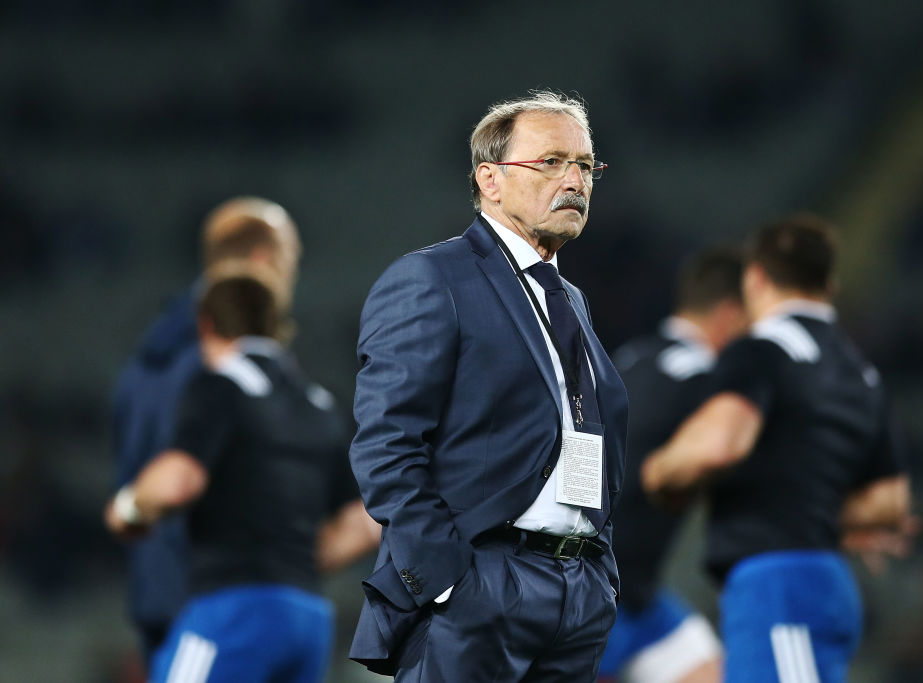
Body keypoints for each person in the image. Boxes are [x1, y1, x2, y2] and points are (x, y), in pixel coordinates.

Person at [347, 90, 629, 681]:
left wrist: (598, 571)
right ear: (490, 179)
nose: (574, 180)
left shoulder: (568, 299)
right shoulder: (432, 278)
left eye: (584, 164)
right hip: (482, 583)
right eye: (551, 161)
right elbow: (386, 445)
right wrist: (447, 582)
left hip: (576, 592)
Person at [642, 214, 912, 683]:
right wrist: (810, 507)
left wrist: (660, 470)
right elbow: (890, 503)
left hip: (775, 586)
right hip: (829, 582)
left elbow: (720, 444)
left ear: (756, 277)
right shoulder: (860, 371)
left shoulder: (759, 350)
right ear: (828, 284)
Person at [105, 268, 380, 682]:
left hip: (233, 610)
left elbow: (178, 480)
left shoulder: (218, 386)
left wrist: (127, 509)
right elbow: (365, 521)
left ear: (206, 324)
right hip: (307, 619)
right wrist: (289, 565)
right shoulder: (319, 405)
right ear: (278, 327)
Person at [109, 197, 301, 663]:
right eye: (290, 263)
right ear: (263, 261)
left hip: (168, 599)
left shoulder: (152, 355)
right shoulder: (223, 361)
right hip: (216, 609)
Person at [599, 247, 748, 683]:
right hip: (595, 600)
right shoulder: (702, 381)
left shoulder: (629, 358)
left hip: (632, 592)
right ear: (730, 315)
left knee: (706, 670)